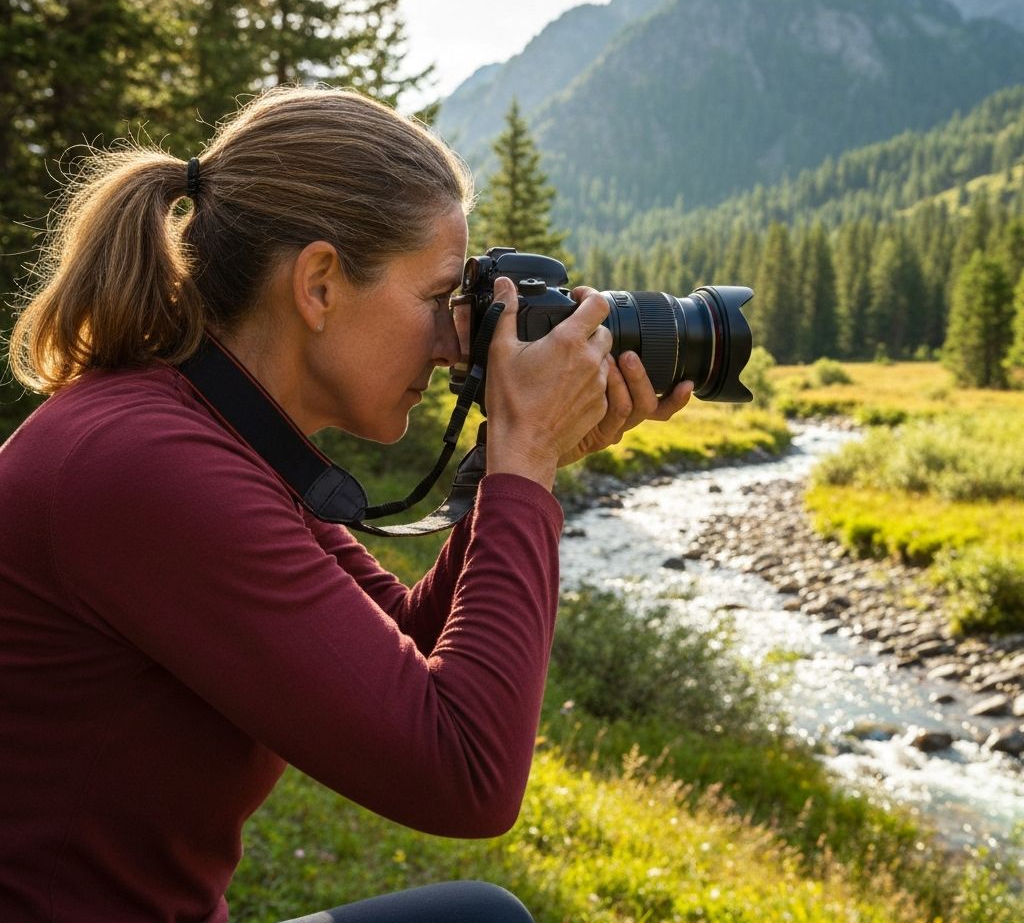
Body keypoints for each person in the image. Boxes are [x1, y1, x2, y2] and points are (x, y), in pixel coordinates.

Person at [0, 86, 692, 923]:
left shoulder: (208, 430)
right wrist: (524, 461)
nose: (453, 345)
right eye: (436, 299)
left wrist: (522, 464)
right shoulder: (146, 467)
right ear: (320, 285)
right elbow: (467, 777)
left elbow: (403, 639)